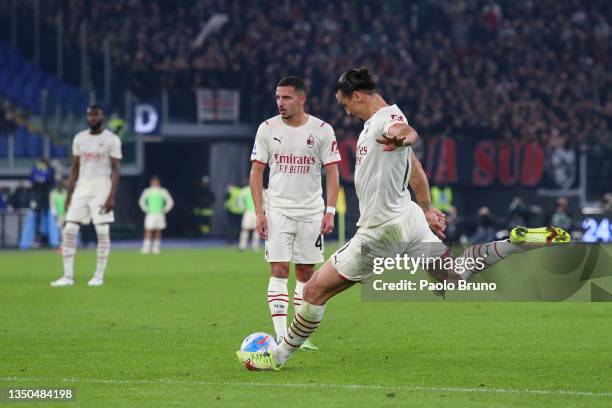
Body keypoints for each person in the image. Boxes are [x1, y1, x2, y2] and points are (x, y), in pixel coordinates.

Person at [237, 68, 569, 371]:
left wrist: (405, 136)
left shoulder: (386, 120)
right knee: (454, 276)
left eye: (345, 104)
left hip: (379, 232)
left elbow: (406, 132)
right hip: (409, 217)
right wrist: (425, 207)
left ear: (358, 96)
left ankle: (277, 357)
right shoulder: (374, 124)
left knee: (312, 292)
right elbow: (417, 169)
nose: (345, 112)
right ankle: (515, 243)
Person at [249, 76, 341, 349]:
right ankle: (280, 334)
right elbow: (256, 172)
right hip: (278, 209)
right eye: (278, 97)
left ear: (301, 99)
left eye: (286, 97)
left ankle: (299, 335)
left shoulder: (323, 130)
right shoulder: (266, 128)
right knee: (278, 269)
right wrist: (259, 211)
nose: (280, 103)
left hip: (312, 211)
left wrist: (330, 211)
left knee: (305, 274)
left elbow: (332, 172)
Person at [50, 105, 122, 287]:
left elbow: (116, 170)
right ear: (87, 117)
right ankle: (67, 276)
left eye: (96, 114)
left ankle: (98, 275)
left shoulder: (111, 139)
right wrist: (69, 194)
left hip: (102, 187)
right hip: (82, 187)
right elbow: (74, 168)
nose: (93, 118)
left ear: (102, 117)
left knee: (102, 231)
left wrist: (112, 196)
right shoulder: (80, 138)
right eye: (90, 115)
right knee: (69, 230)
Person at [139, 175, 174, 254]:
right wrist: (146, 209)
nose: (154, 183)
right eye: (153, 181)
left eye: (156, 182)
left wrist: (164, 209)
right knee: (148, 229)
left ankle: (156, 247)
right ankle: (146, 247)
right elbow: (141, 201)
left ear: (158, 182)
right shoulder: (147, 191)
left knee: (158, 230)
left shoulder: (163, 191)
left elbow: (170, 202)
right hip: (150, 214)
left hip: (160, 214)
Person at [238, 183, 260, 252]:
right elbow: (240, 200)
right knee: (246, 229)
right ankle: (244, 246)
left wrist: (242, 208)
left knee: (255, 229)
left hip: (255, 212)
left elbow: (239, 200)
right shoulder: (245, 190)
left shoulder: (259, 190)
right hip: (250, 212)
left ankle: (253, 247)